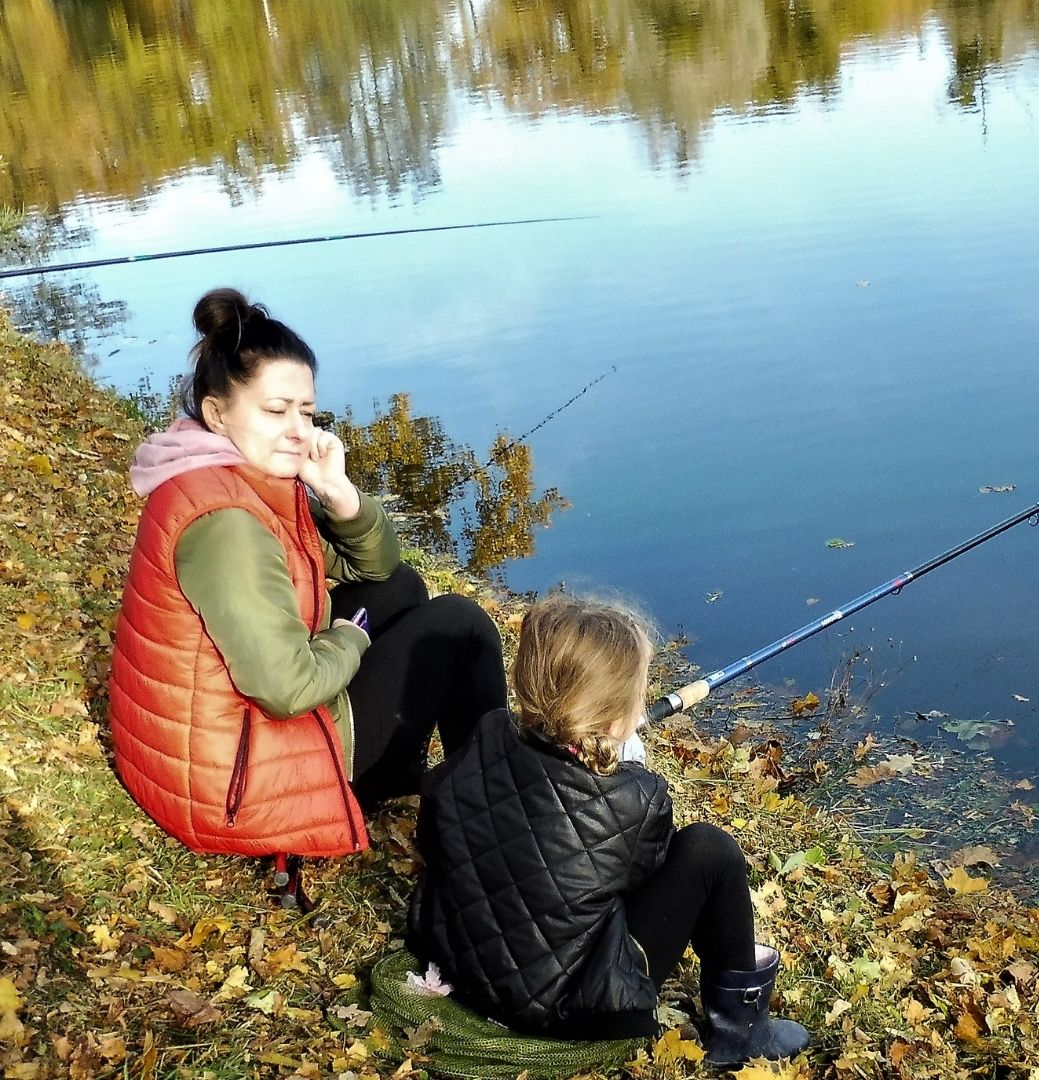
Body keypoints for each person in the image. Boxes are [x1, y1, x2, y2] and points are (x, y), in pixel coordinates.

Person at [109, 287, 508, 902]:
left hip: (207, 753)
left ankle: (415, 776)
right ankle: (499, 819)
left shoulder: (220, 473)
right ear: (218, 414)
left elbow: (375, 569)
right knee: (461, 624)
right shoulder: (228, 525)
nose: (299, 431)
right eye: (276, 411)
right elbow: (288, 689)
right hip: (234, 787)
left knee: (398, 586)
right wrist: (351, 636)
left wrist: (339, 493)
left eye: (307, 410)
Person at [405, 594, 809, 1063]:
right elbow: (642, 879)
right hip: (568, 1010)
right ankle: (742, 1031)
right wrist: (625, 768)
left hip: (457, 960)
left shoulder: (488, 732)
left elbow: (440, 813)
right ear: (617, 713)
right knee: (708, 850)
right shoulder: (637, 797)